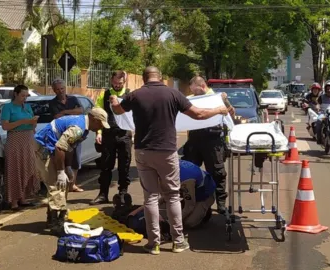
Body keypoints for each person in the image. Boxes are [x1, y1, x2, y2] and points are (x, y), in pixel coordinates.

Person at [109, 66, 229, 255]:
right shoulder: (173, 94)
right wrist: (219, 109)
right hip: (166, 151)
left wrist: (114, 100)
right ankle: (178, 241)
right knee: (172, 195)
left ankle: (153, 243)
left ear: (144, 79)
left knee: (150, 197)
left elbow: (117, 111)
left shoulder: (136, 95)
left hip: (143, 152)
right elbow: (198, 114)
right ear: (161, 77)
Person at [34, 108, 110, 232]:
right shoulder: (78, 128)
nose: (100, 127)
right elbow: (60, 148)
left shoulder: (84, 128)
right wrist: (60, 172)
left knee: (64, 184)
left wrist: (67, 167)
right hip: (43, 146)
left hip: (53, 147)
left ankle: (58, 217)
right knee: (55, 183)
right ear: (94, 119)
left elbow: (69, 148)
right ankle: (54, 223)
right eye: (100, 124)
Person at [182, 75, 235, 215]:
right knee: (190, 171)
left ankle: (221, 202)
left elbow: (232, 114)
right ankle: (192, 201)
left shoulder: (217, 97)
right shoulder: (191, 99)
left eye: (195, 90)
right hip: (194, 139)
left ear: (202, 86)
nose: (193, 93)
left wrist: (226, 102)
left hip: (213, 139)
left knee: (217, 172)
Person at [92, 70, 132, 206]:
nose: (117, 85)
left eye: (120, 83)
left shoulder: (130, 95)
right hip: (108, 134)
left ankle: (123, 195)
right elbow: (98, 115)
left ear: (124, 82)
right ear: (111, 81)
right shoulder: (104, 94)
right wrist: (98, 132)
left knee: (124, 167)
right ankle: (103, 194)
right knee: (105, 166)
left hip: (125, 135)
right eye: (115, 83)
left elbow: (135, 117)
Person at [0, 85, 41, 211]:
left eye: (26, 96)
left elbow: (32, 124)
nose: (24, 98)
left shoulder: (27, 107)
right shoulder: (8, 107)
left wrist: (33, 123)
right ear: (16, 94)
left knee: (27, 167)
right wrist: (22, 122)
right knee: (15, 168)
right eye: (22, 95)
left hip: (28, 138)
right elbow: (5, 126)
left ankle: (24, 197)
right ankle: (14, 201)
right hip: (15, 139)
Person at [48, 78, 85, 193]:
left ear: (65, 88)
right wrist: (72, 112)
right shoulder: (52, 103)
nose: (60, 91)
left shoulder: (73, 99)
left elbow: (80, 110)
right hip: (61, 134)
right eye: (58, 89)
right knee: (63, 160)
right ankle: (64, 184)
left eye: (62, 88)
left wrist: (65, 112)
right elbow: (56, 117)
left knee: (76, 160)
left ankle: (72, 184)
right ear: (54, 90)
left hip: (76, 133)